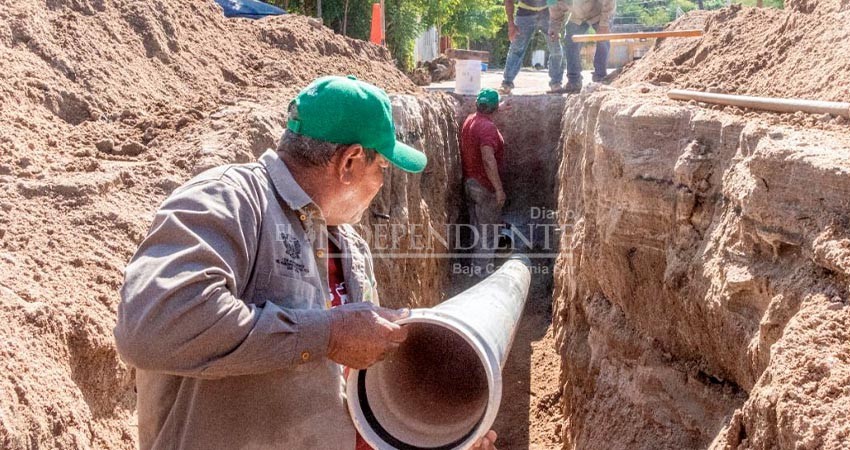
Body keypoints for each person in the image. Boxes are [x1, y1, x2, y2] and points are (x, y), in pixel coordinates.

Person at [114, 75, 498, 450]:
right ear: (349, 161)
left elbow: (355, 392)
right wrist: (326, 335)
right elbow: (155, 326)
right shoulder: (227, 202)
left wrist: (439, 436)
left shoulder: (349, 247)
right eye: (381, 166)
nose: (383, 181)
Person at [460, 88, 506, 279]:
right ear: (493, 109)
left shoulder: (471, 120)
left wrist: (497, 108)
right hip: (484, 187)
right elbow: (488, 159)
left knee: (476, 228)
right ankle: (482, 277)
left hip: (470, 183)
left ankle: (474, 270)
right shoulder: (488, 128)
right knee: (487, 234)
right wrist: (499, 189)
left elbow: (483, 120)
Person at [548, 0, 616, 93]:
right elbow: (555, 10)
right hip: (577, 16)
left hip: (599, 13)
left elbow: (609, 2)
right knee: (570, 40)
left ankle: (601, 77)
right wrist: (554, 28)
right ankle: (574, 81)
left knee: (603, 40)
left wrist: (604, 24)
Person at [500, 0, 565, 94]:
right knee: (516, 47)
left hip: (549, 11)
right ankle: (507, 83)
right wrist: (511, 24)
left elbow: (558, 2)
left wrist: (555, 26)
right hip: (524, 12)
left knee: (555, 46)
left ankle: (556, 83)